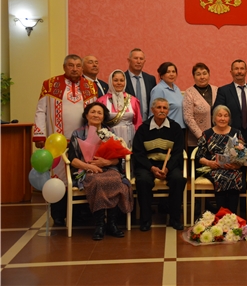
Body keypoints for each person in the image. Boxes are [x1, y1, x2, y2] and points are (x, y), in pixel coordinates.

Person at [33, 54, 97, 226]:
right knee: (58, 177)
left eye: (78, 65)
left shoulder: (90, 86)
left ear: (82, 68)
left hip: (83, 142)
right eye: (71, 65)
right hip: (57, 142)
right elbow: (41, 110)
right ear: (64, 67)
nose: (74, 68)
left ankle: (80, 214)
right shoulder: (50, 84)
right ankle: (59, 215)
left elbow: (96, 112)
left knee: (81, 176)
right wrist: (39, 134)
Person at [67, 102, 133, 240]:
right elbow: (72, 159)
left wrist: (107, 162)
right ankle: (99, 224)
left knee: (116, 180)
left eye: (99, 113)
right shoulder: (78, 133)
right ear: (86, 115)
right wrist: (90, 166)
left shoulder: (110, 132)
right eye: (93, 112)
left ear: (103, 117)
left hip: (109, 168)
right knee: (97, 181)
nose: (96, 115)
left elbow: (118, 159)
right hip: (87, 169)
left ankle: (112, 223)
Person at [132, 98, 187, 231]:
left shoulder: (175, 128)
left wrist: (167, 168)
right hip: (148, 165)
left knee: (177, 179)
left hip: (169, 165)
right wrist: (151, 168)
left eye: (165, 108)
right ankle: (145, 220)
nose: (162, 110)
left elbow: (178, 152)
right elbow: (138, 153)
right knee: (143, 180)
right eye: (159, 107)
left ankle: (175, 219)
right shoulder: (143, 129)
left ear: (168, 111)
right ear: (152, 110)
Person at [195, 105, 245, 213]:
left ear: (229, 118)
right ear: (214, 118)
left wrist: (236, 165)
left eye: (226, 116)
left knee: (234, 177)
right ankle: (221, 216)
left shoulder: (236, 133)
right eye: (219, 115)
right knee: (221, 177)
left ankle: (232, 217)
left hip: (233, 168)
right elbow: (198, 156)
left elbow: (242, 155)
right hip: (213, 169)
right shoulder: (207, 134)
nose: (222, 118)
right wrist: (209, 163)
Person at [214, 59, 247, 153]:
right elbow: (217, 111)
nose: (239, 71)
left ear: (246, 71)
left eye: (242, 69)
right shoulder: (223, 91)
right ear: (231, 72)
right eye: (236, 69)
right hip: (230, 133)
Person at [97, 70, 142, 148]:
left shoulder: (133, 100)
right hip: (110, 137)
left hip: (130, 135)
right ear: (110, 82)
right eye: (115, 80)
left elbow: (138, 122)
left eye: (121, 80)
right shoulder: (102, 101)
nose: (119, 83)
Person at [183, 63, 218, 152]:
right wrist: (202, 137)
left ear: (209, 75)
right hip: (197, 141)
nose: (202, 77)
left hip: (217, 138)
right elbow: (188, 118)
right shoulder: (189, 92)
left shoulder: (216, 90)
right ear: (193, 76)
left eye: (204, 73)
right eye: (198, 74)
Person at [150, 62, 186, 129]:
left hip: (180, 128)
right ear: (161, 75)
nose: (171, 74)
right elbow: (154, 112)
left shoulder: (176, 88)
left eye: (173, 71)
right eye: (168, 72)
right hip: (167, 129)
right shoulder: (158, 89)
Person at [125, 48, 157, 121]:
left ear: (144, 61)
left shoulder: (150, 79)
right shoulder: (122, 79)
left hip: (147, 123)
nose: (138, 61)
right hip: (128, 123)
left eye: (141, 59)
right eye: (135, 58)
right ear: (129, 60)